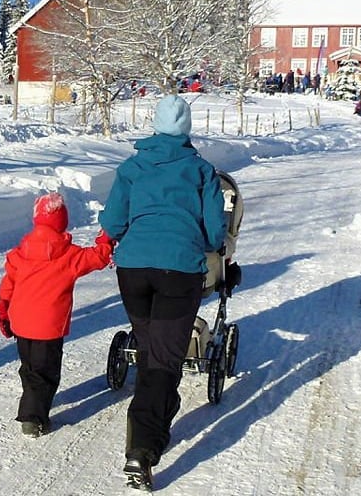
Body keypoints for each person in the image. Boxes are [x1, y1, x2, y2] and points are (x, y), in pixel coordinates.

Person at [98, 94, 227, 488]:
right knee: (163, 359)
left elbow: (113, 221)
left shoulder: (132, 167)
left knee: (151, 344)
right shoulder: (202, 171)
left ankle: (160, 411)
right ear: (186, 129)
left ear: (155, 125)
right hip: (178, 271)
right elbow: (214, 232)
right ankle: (142, 448)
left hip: (133, 271)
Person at [0, 192, 114, 438]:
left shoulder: (20, 251)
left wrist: (3, 307)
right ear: (62, 223)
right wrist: (106, 238)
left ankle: (32, 399)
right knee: (45, 372)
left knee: (29, 366)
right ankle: (32, 418)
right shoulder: (69, 255)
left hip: (21, 321)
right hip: (48, 327)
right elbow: (99, 257)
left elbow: (8, 284)